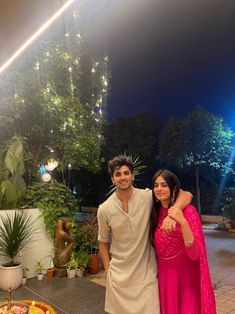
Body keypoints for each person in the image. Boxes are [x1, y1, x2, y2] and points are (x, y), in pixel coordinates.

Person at [97, 155, 192, 314]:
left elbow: (186, 195)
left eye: (126, 173)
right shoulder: (104, 209)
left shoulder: (148, 196)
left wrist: (172, 214)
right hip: (119, 278)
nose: (123, 177)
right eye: (118, 174)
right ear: (112, 179)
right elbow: (103, 241)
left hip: (147, 276)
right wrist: (108, 271)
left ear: (133, 176)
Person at [151, 169, 216, 314]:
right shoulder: (154, 213)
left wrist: (181, 220)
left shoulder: (189, 212)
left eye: (164, 185)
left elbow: (194, 255)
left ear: (173, 189)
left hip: (187, 278)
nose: (159, 189)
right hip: (165, 278)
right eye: (156, 185)